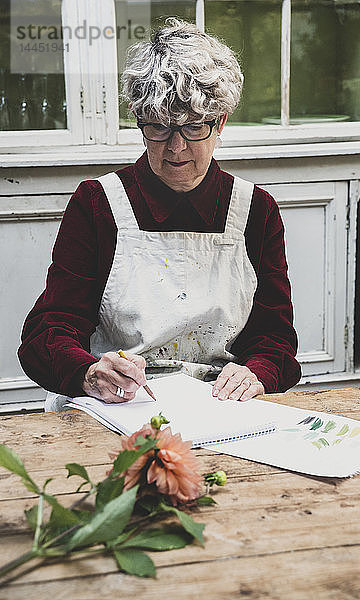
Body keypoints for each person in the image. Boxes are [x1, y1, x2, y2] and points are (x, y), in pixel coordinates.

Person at [18, 18, 301, 410]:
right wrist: (87, 372)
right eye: (159, 128)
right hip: (118, 404)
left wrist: (258, 371)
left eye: (193, 127)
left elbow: (275, 338)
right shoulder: (99, 204)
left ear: (220, 123)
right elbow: (48, 332)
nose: (176, 148)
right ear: (139, 122)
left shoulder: (255, 211)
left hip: (219, 404)